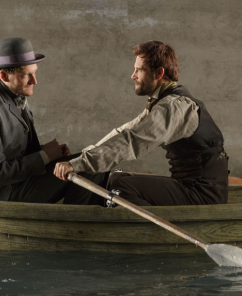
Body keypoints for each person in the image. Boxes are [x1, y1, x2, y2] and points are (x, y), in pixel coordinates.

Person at [54, 40, 229, 207]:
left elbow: (132, 142)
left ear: (159, 73)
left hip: (201, 194)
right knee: (113, 178)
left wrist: (78, 164)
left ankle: (151, 233)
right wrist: (82, 158)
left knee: (120, 187)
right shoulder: (163, 102)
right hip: (189, 186)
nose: (133, 76)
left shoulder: (173, 107)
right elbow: (125, 132)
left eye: (139, 70)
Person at [0, 37, 105, 204]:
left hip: (13, 182)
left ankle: (71, 221)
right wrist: (44, 156)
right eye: (26, 75)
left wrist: (50, 153)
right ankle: (71, 225)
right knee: (91, 165)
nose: (34, 81)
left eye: (35, 72)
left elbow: (13, 151)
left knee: (91, 160)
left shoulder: (13, 91)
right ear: (4, 75)